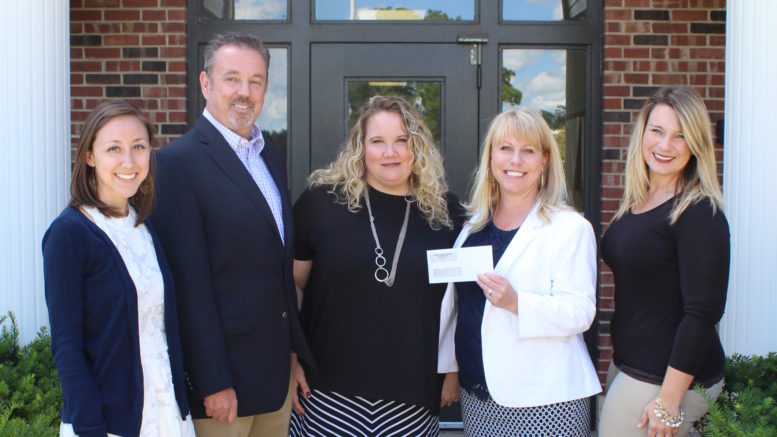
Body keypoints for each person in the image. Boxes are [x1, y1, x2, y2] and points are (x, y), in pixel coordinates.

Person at [150, 32, 313, 437]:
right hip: (223, 392)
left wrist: (292, 354)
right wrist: (212, 381)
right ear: (205, 84)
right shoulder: (176, 164)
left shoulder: (270, 156)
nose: (245, 91)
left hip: (274, 380)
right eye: (232, 79)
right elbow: (188, 285)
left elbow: (277, 269)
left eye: (255, 81)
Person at [288, 95, 463, 436]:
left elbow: (460, 302)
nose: (390, 153)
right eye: (378, 141)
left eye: (402, 141)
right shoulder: (321, 204)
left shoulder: (446, 214)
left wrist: (452, 370)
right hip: (326, 395)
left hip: (412, 399)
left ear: (418, 147)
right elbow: (292, 285)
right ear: (360, 147)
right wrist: (292, 357)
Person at [438, 108, 601, 436]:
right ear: (491, 157)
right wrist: (451, 371)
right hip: (478, 396)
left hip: (545, 400)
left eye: (527, 151)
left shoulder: (570, 228)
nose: (515, 160)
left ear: (544, 161)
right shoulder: (471, 227)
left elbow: (580, 312)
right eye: (505, 148)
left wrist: (517, 302)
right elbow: (461, 308)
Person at [42, 100, 194, 437]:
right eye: (114, 148)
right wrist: (91, 427)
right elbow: (67, 346)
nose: (129, 162)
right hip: (108, 424)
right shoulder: (69, 233)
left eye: (138, 147)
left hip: (166, 411)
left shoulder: (143, 227)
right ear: (90, 156)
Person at [598, 86, 730, 437]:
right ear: (642, 132)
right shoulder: (640, 199)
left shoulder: (700, 212)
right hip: (631, 365)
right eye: (657, 131)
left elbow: (703, 313)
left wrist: (669, 401)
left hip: (667, 378)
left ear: (696, 145)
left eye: (680, 136)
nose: (664, 145)